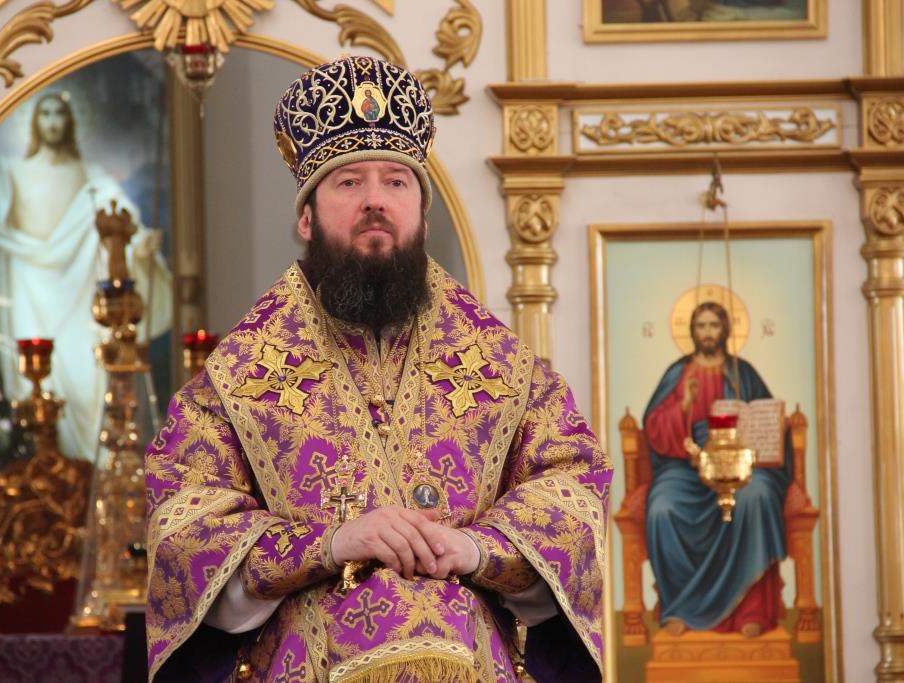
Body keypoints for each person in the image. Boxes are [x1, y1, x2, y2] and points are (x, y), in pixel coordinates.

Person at [145, 56, 612, 682]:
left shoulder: (506, 368)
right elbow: (181, 528)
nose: (375, 201)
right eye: (348, 182)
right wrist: (330, 544)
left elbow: (575, 488)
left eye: (396, 182)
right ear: (306, 217)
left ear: (422, 212)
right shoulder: (235, 379)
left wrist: (475, 548)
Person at [0, 92, 171, 461]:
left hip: (80, 293)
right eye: (46, 114)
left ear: (71, 121)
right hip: (28, 287)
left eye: (60, 113)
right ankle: (43, 462)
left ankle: (97, 467)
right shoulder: (9, 170)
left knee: (88, 381)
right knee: (36, 381)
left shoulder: (91, 176)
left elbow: (123, 221)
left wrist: (141, 245)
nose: (53, 121)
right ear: (34, 123)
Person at [643, 301, 792, 637]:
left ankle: (751, 610)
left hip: (741, 462)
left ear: (725, 329)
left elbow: (767, 416)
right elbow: (653, 427)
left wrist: (771, 427)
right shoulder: (678, 374)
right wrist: (683, 404)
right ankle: (680, 607)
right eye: (701, 326)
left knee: (759, 495)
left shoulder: (743, 372)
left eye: (714, 325)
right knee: (662, 508)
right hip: (686, 464)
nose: (708, 333)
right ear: (692, 331)